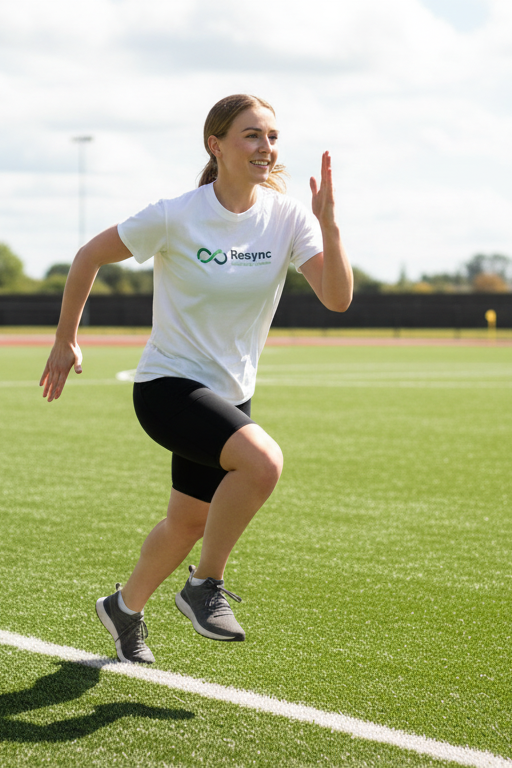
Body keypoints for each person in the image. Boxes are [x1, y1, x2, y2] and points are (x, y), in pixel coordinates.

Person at [40, 94, 352, 664]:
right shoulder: (175, 214)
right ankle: (205, 585)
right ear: (217, 144)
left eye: (273, 137)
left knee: (187, 521)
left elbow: (336, 297)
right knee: (262, 462)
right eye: (252, 135)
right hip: (166, 387)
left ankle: (123, 608)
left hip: (230, 394)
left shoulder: (287, 217)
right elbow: (87, 256)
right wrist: (66, 338)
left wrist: (329, 226)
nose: (267, 147)